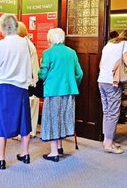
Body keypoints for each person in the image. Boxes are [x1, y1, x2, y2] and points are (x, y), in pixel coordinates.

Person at [0, 14, 32, 170]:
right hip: (21, 87)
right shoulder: (24, 43)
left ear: (3, 27)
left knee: (0, 121)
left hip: (2, 87)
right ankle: (25, 154)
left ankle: (1, 159)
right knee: (23, 120)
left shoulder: (1, 44)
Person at [39, 28, 83, 162]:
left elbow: (42, 74)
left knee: (53, 119)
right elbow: (79, 73)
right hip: (69, 90)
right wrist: (72, 84)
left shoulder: (48, 53)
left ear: (50, 39)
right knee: (63, 117)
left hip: (53, 91)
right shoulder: (71, 52)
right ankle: (59, 146)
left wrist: (41, 75)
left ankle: (54, 152)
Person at [98, 29, 127, 153]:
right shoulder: (125, 44)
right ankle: (109, 144)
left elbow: (101, 64)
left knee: (107, 112)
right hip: (112, 82)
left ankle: (107, 140)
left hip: (102, 81)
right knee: (113, 113)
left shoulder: (108, 44)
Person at [18, 21, 40, 137]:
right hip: (31, 78)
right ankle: (30, 130)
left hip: (29, 80)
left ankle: (29, 131)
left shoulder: (24, 44)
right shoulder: (27, 43)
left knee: (29, 106)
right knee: (31, 106)